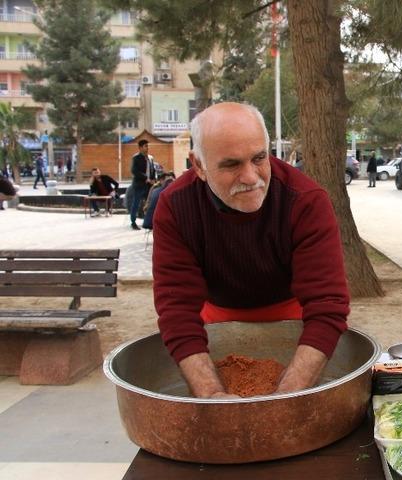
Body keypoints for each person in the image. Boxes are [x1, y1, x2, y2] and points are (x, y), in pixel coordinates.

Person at [152, 102, 349, 399]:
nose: (250, 177)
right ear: (199, 166)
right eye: (231, 165)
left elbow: (327, 305)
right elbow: (177, 310)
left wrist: (284, 398)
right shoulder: (176, 206)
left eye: (259, 158)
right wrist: (213, 397)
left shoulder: (306, 201)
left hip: (294, 322)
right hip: (216, 325)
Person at [128, 139, 155, 230]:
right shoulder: (136, 158)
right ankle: (133, 222)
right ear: (140, 148)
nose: (147, 148)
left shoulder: (151, 158)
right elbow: (134, 171)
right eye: (145, 146)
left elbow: (152, 170)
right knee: (136, 203)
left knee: (149, 203)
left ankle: (148, 221)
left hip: (149, 185)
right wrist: (145, 178)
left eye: (148, 146)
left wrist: (153, 179)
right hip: (139, 185)